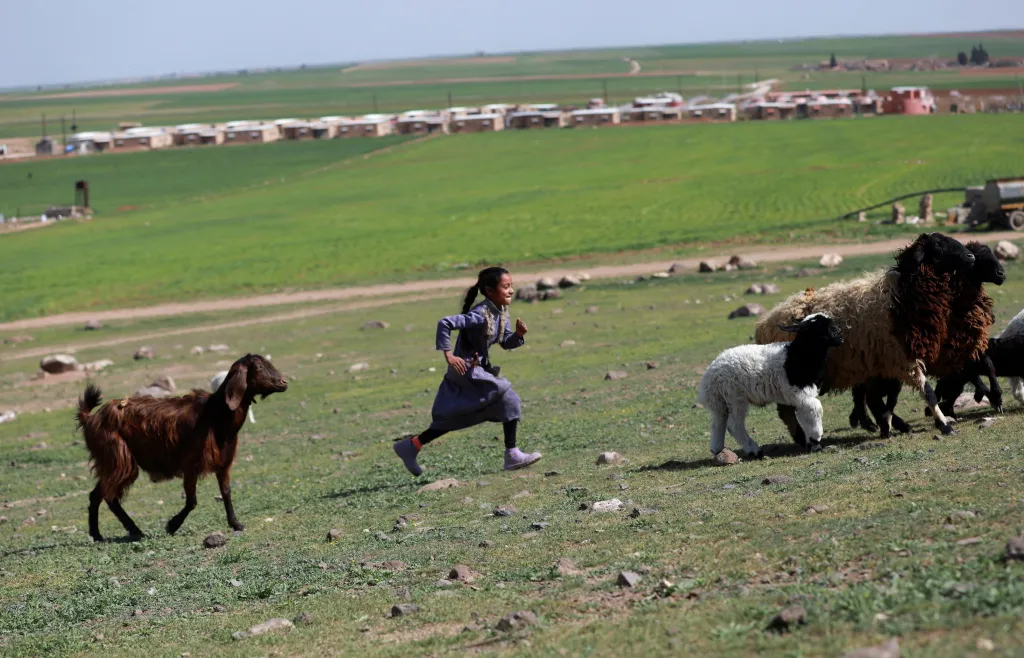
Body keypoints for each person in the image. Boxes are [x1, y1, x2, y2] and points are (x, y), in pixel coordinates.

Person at [394, 266, 541, 475]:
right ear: (490, 291)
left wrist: (518, 335)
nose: (511, 291)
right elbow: (445, 323)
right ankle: (512, 455)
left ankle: (412, 445)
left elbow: (505, 342)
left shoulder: (500, 312)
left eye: (512, 286)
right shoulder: (480, 314)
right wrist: (449, 355)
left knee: (458, 415)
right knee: (508, 395)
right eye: (506, 287)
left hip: (477, 370)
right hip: (466, 371)